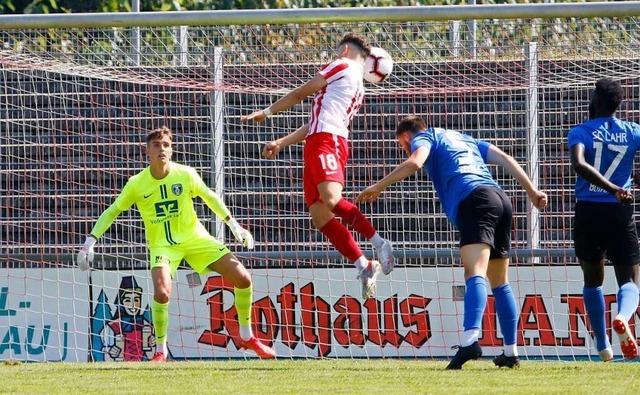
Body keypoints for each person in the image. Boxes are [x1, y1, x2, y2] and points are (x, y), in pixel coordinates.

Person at [357, 116, 548, 369]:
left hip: (474, 200)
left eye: (402, 144)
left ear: (405, 137)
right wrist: (532, 191)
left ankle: (470, 342)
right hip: (501, 200)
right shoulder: (463, 138)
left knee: (474, 272)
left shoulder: (424, 138)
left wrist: (379, 186)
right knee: (500, 282)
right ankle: (510, 352)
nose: (405, 148)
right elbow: (507, 159)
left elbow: (415, 163)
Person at [77, 126, 276, 361]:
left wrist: (234, 225)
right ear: (147, 152)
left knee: (243, 278)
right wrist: (90, 241)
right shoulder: (136, 183)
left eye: (166, 145)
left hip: (195, 238)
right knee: (162, 293)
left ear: (171, 150)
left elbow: (209, 197)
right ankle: (160, 351)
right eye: (156, 145)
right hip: (163, 246)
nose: (162, 149)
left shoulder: (186, 174)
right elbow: (113, 211)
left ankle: (246, 336)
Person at [241, 33, 393, 300]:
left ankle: (379, 242)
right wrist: (282, 142)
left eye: (336, 51)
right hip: (318, 140)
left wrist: (267, 113)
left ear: (345, 50)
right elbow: (315, 120)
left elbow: (302, 92)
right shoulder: (356, 84)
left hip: (327, 142)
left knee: (332, 200)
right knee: (320, 216)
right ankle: (364, 265)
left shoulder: (343, 65)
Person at [568, 78, 640, 361]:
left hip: (588, 211)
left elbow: (579, 164)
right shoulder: (632, 131)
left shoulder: (581, 132)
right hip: (618, 212)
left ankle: (603, 347)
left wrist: (609, 188)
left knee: (592, 281)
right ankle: (622, 316)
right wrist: (618, 190)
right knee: (629, 280)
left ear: (596, 101)